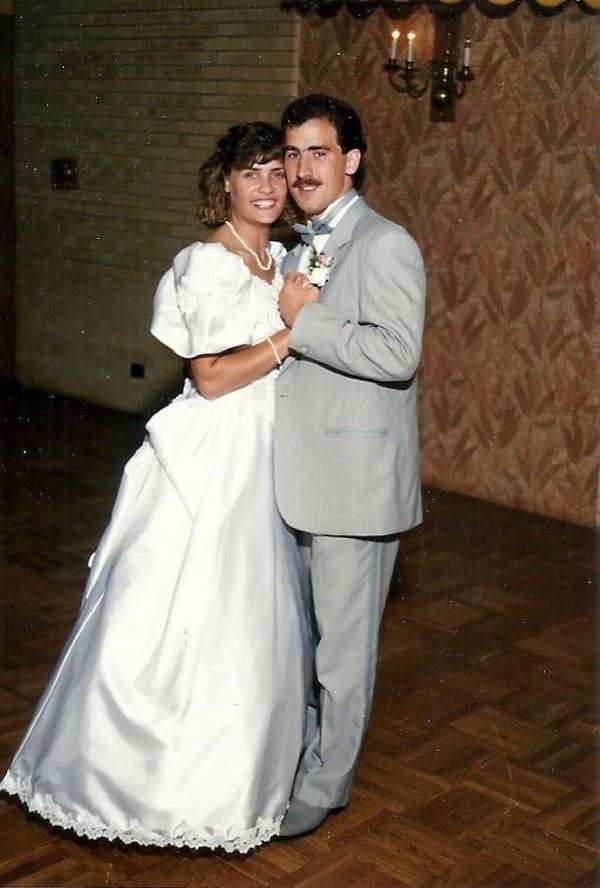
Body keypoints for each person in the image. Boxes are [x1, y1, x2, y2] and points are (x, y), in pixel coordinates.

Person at [0, 122, 314, 853]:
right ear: (224, 183)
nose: (266, 186)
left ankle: (235, 781)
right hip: (217, 452)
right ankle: (135, 784)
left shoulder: (283, 258)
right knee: (182, 604)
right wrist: (294, 331)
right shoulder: (206, 264)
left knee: (251, 616)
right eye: (251, 173)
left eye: (276, 171)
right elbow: (211, 376)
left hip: (271, 447)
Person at [274, 94, 426, 837]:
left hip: (354, 485)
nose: (302, 169)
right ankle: (305, 755)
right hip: (299, 476)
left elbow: (397, 354)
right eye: (292, 153)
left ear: (352, 160)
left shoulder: (385, 243)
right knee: (305, 640)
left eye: (319, 152)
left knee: (342, 649)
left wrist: (303, 321)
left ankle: (325, 784)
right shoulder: (300, 245)